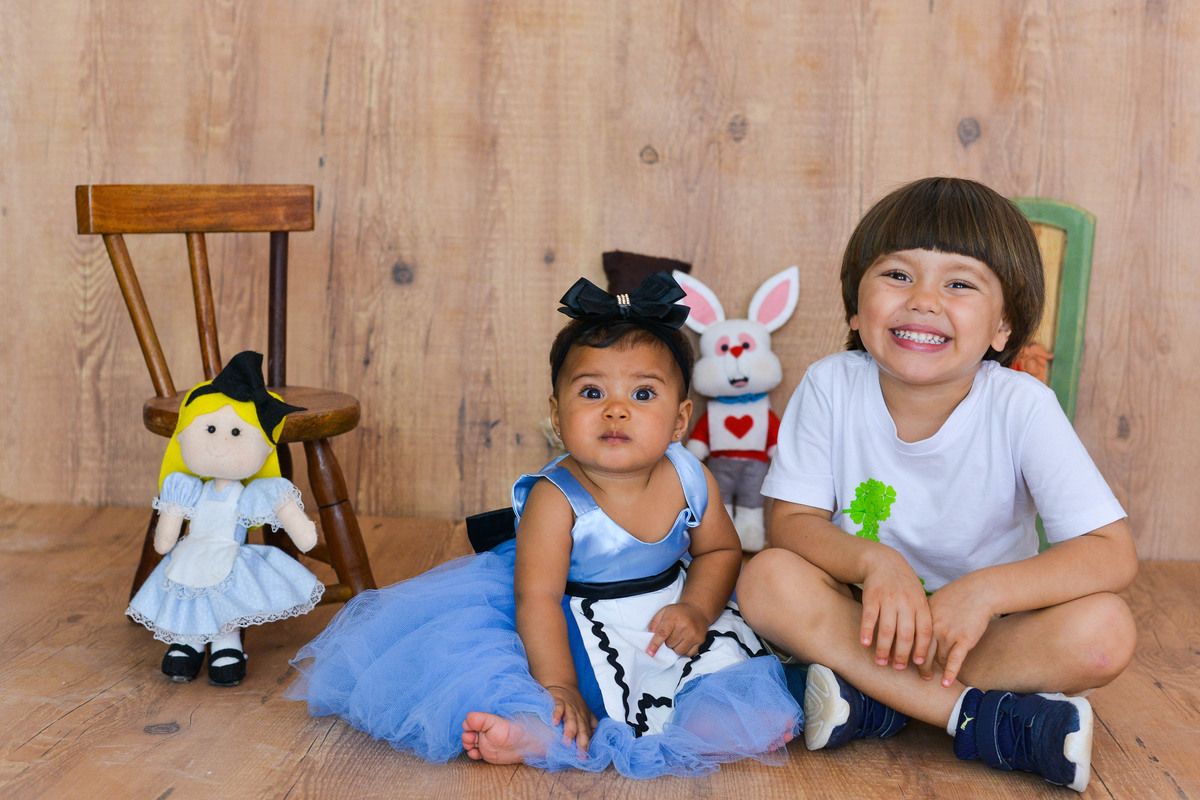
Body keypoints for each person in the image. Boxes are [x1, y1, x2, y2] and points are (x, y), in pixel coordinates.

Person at [287, 272, 800, 777]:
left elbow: (718, 552)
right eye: (592, 393)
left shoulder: (691, 476)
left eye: (643, 395)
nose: (616, 411)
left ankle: (709, 720)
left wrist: (696, 607)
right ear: (557, 415)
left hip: (665, 612)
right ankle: (538, 728)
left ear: (681, 419)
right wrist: (559, 685)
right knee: (548, 694)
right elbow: (537, 598)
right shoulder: (555, 497)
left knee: (718, 667)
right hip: (569, 623)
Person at [736, 177, 1138, 793]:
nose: (923, 300)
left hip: (977, 638)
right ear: (855, 307)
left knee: (1106, 632)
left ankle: (875, 700)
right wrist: (875, 563)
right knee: (766, 578)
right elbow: (790, 524)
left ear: (1003, 326)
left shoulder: (1022, 405)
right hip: (862, 622)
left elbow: (1111, 553)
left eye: (959, 284)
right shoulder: (830, 384)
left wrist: (983, 593)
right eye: (898, 275)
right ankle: (981, 720)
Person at [127, 350, 324, 686]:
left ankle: (226, 646)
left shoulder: (250, 493)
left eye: (235, 433)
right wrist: (167, 538)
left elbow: (282, 505)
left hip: (228, 553)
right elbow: (166, 534)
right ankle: (187, 643)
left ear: (265, 448)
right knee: (186, 593)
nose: (219, 444)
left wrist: (303, 531)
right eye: (210, 429)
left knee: (225, 599)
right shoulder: (185, 486)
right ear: (183, 435)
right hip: (192, 552)